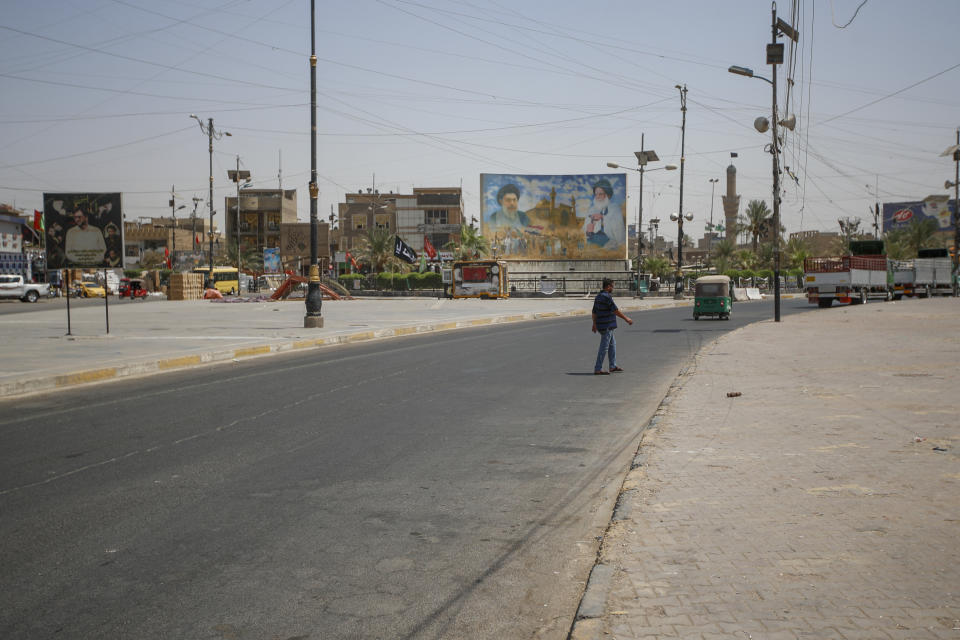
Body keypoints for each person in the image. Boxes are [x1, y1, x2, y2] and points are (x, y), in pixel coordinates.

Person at [592, 278, 633, 375]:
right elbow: (615, 310)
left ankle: (612, 366)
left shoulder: (598, 296)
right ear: (608, 286)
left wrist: (594, 324)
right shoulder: (607, 297)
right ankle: (598, 368)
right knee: (604, 348)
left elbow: (594, 312)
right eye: (612, 286)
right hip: (606, 326)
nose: (613, 288)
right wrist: (626, 319)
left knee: (612, 345)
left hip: (603, 325)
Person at [584, 178, 625, 249]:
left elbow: (619, 231)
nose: (597, 197)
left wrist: (603, 218)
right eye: (596, 194)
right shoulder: (591, 210)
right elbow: (584, 231)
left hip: (610, 246)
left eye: (600, 194)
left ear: (608, 195)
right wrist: (588, 230)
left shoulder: (614, 208)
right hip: (592, 246)